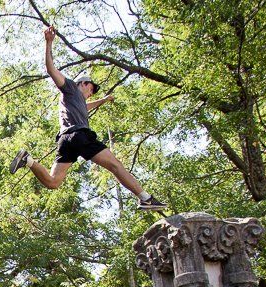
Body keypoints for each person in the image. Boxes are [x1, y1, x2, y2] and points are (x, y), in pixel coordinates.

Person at [10, 24, 167, 211]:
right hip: (79, 136)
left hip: (65, 140)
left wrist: (104, 100)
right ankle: (145, 198)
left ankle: (27, 160)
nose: (91, 93)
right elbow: (51, 70)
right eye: (91, 88)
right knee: (115, 166)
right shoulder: (70, 88)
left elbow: (88, 106)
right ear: (82, 83)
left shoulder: (77, 102)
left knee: (53, 182)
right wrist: (49, 43)